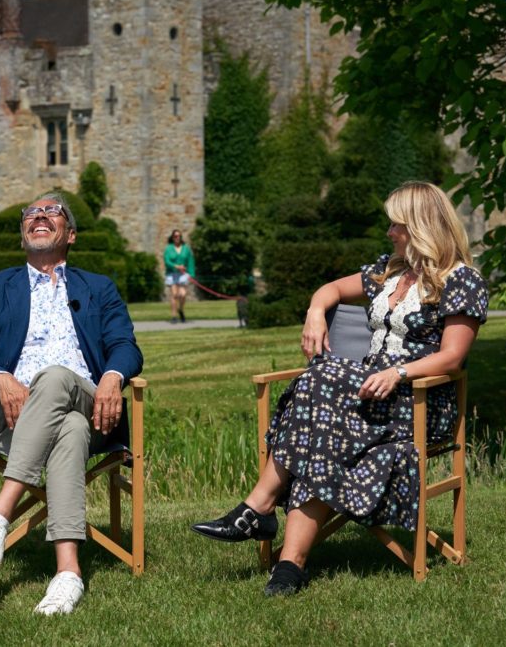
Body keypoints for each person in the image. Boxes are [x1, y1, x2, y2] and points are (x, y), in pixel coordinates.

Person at [191, 181, 488, 596]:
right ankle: (289, 568)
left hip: (419, 399)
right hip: (367, 395)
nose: (389, 233)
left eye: (396, 226)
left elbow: (452, 357)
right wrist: (316, 310)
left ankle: (258, 508)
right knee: (322, 430)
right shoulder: (390, 270)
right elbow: (330, 289)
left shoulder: (462, 281)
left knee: (325, 376)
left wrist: (398, 373)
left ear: (420, 226)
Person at [0, 191, 143, 615]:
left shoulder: (98, 288)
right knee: (68, 430)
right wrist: (0, 376)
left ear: (70, 234)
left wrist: (112, 377)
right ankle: (68, 574)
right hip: (15, 419)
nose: (39, 216)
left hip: (95, 408)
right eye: (31, 214)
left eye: (51, 211)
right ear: (23, 235)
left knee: (56, 378)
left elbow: (126, 347)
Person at [163, 229, 195, 323]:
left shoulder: (186, 248)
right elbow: (167, 261)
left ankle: (181, 309)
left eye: (179, 236)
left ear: (181, 237)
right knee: (174, 294)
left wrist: (191, 274)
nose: (177, 238)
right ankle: (174, 316)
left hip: (183, 274)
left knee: (183, 294)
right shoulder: (168, 248)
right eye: (175, 236)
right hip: (172, 273)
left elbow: (190, 262)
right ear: (172, 238)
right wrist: (176, 266)